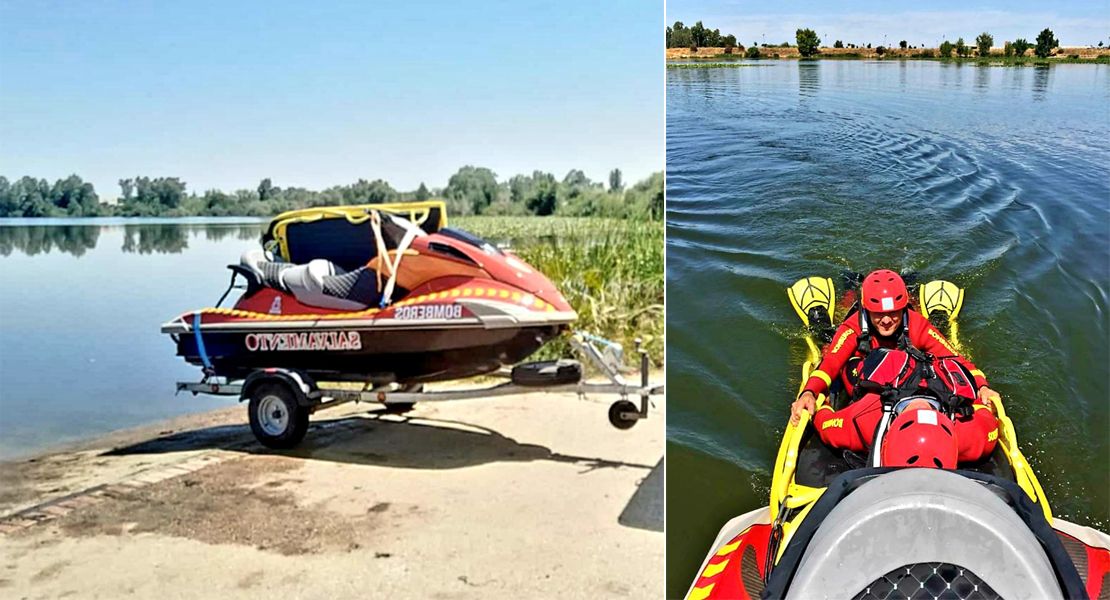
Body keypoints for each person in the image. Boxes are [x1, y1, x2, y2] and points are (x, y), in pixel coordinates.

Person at [791, 269, 1001, 426]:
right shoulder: (853, 326)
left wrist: (982, 386)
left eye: (894, 312)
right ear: (867, 310)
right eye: (877, 313)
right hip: (860, 365)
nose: (886, 320)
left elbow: (956, 360)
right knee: (827, 341)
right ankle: (850, 285)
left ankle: (909, 283)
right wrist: (809, 391)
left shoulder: (917, 324)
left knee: (933, 348)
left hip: (904, 369)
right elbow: (831, 363)